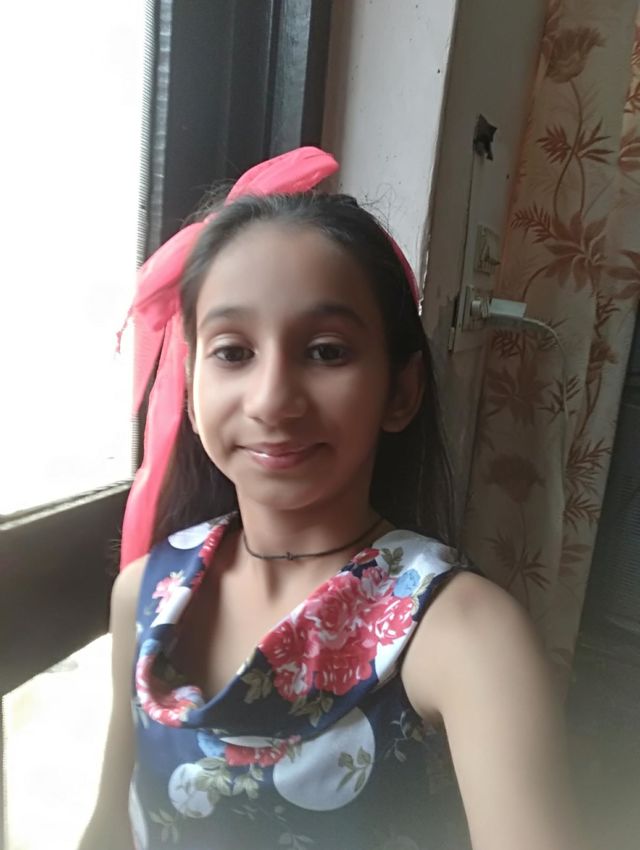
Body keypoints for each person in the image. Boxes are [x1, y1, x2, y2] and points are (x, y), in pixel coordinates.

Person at [79, 148, 581, 850]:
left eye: (325, 351)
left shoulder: (465, 635)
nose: (271, 400)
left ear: (400, 391)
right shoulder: (144, 593)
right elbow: (109, 826)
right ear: (189, 391)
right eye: (233, 352)